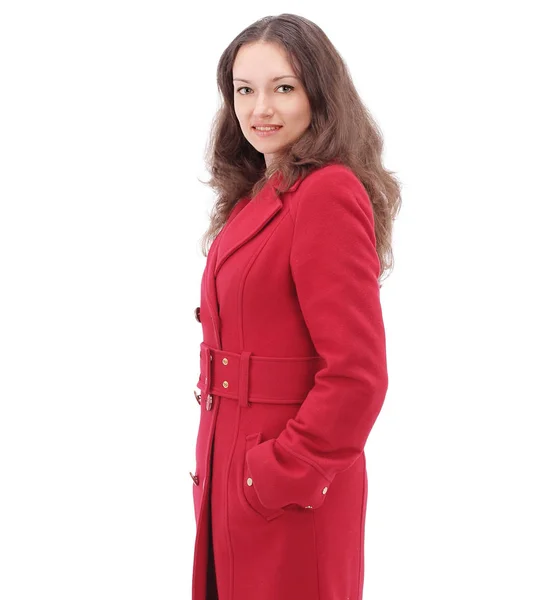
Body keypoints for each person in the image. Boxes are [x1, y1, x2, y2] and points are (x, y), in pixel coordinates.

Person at [190, 13, 401, 600]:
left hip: (288, 493)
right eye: (244, 90)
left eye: (283, 87)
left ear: (318, 92)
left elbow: (358, 376)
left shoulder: (327, 193)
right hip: (232, 474)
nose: (262, 108)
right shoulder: (260, 192)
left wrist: (279, 473)